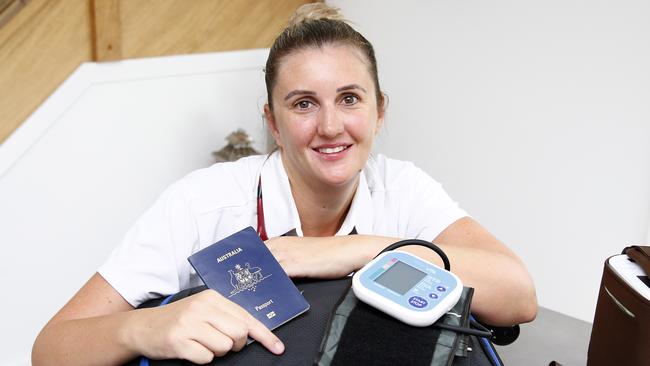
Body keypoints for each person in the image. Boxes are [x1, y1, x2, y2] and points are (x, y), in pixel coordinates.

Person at [32, 4, 537, 365]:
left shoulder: (402, 188)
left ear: (379, 110)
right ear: (272, 122)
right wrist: (146, 329)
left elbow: (518, 297)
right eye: (303, 104)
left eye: (350, 98)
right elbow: (51, 349)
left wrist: (356, 252)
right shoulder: (202, 203)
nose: (332, 126)